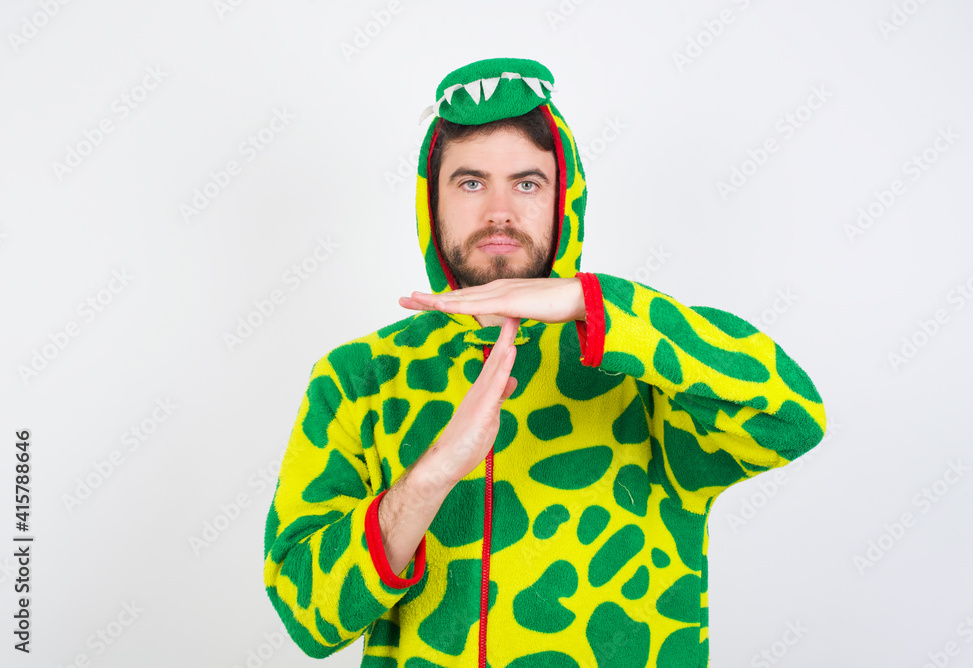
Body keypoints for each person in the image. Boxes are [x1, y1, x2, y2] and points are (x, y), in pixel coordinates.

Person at [262, 56, 827, 667]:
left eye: (527, 183)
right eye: (471, 182)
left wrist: (587, 302)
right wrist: (432, 475)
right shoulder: (358, 378)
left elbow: (792, 416)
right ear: (434, 201)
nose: (499, 211)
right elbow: (306, 617)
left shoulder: (645, 362)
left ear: (565, 199)